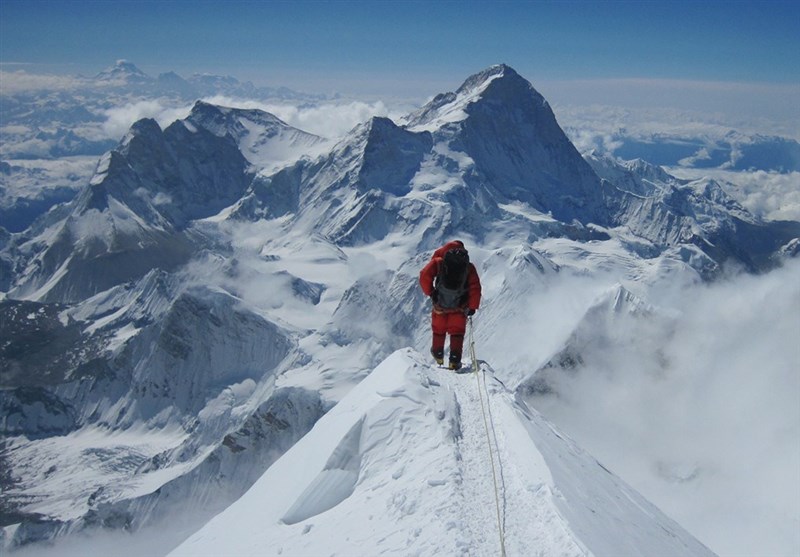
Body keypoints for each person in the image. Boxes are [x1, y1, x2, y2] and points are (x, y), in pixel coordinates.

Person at [419, 240, 482, 370]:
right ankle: (454, 361)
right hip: (460, 308)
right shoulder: (468, 267)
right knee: (457, 333)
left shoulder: (439, 262)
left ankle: (438, 355)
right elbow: (475, 287)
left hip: (440, 306)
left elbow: (424, 276)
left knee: (438, 331)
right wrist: (472, 307)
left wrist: (431, 293)